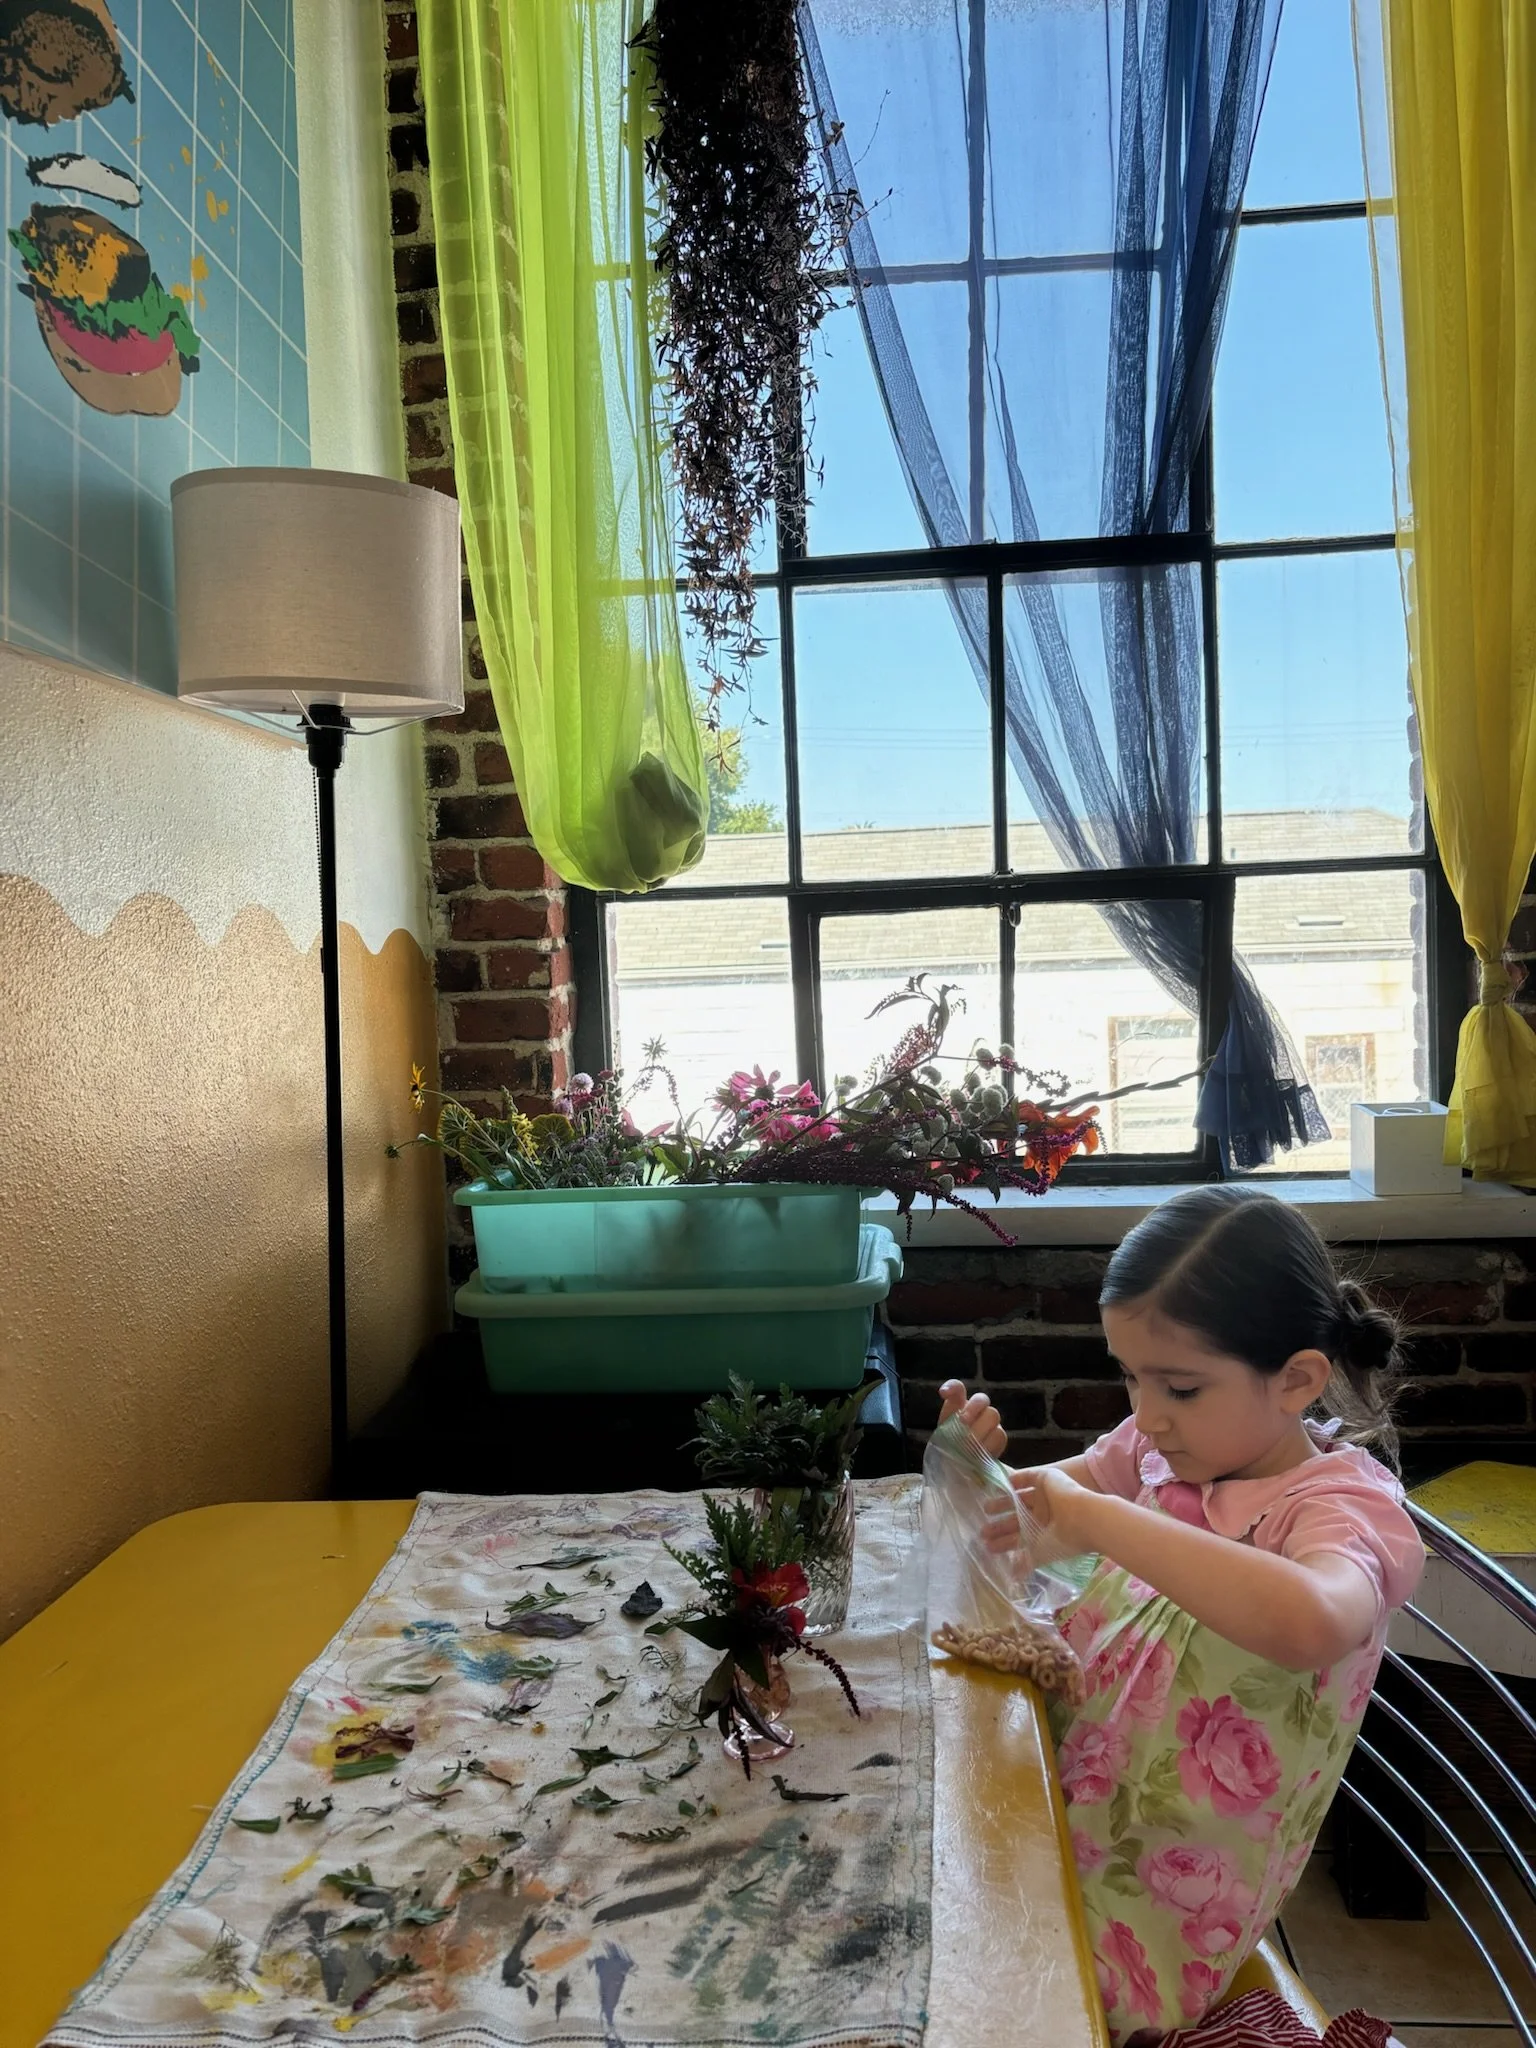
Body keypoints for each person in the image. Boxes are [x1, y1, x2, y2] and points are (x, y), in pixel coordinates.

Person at [937, 1185, 1423, 2045]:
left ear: (1297, 1379)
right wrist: (973, 1476)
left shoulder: (1341, 1510)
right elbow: (1024, 1532)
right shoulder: (1155, 1449)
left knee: (990, 1996)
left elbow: (1315, 1621)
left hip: (1159, 1912)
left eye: (1181, 1386)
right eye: (1129, 1375)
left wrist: (1101, 1519)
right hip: (1065, 1809)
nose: (1147, 1412)